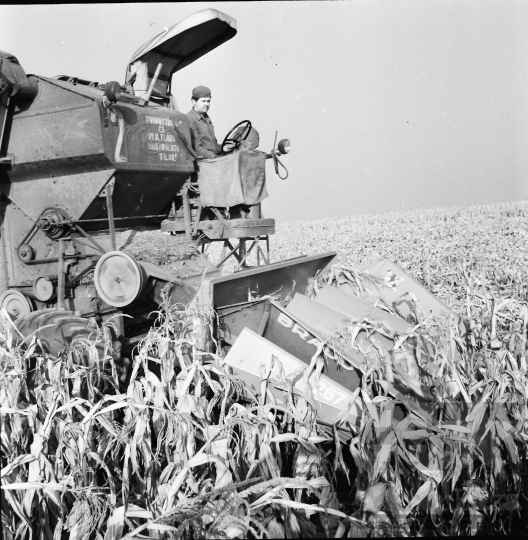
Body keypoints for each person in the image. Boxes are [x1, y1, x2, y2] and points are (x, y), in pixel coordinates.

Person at [186, 86, 220, 160]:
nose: (207, 104)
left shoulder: (206, 119)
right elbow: (196, 148)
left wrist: (225, 148)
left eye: (208, 101)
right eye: (203, 101)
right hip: (203, 162)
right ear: (194, 102)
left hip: (212, 159)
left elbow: (212, 146)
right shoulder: (190, 119)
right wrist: (214, 157)